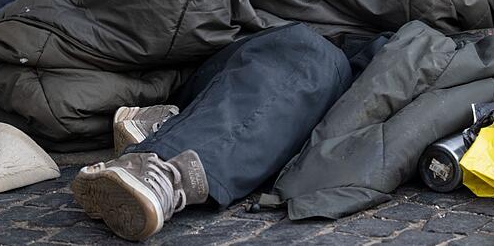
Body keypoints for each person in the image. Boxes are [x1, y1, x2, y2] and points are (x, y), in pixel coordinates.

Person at [69, 23, 353, 241]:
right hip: (259, 53)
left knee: (320, 66)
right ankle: (166, 169)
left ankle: (167, 128)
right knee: (312, 56)